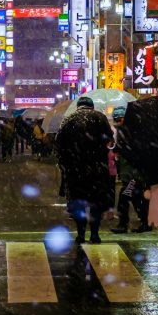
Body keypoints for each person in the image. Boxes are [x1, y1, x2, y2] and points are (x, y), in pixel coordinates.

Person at [55, 96, 114, 245]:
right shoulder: (100, 117)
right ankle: (95, 234)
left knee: (78, 202)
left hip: (75, 170)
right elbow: (109, 140)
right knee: (95, 203)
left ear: (78, 106)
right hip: (97, 169)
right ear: (91, 106)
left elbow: (59, 144)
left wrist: (64, 164)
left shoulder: (69, 120)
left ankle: (81, 234)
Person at [110, 107, 151, 234]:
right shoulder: (129, 132)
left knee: (125, 198)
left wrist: (119, 150)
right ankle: (145, 222)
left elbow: (129, 152)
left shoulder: (128, 133)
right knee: (136, 199)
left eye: (120, 119)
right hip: (132, 174)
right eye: (116, 119)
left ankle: (125, 224)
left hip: (133, 175)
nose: (118, 122)